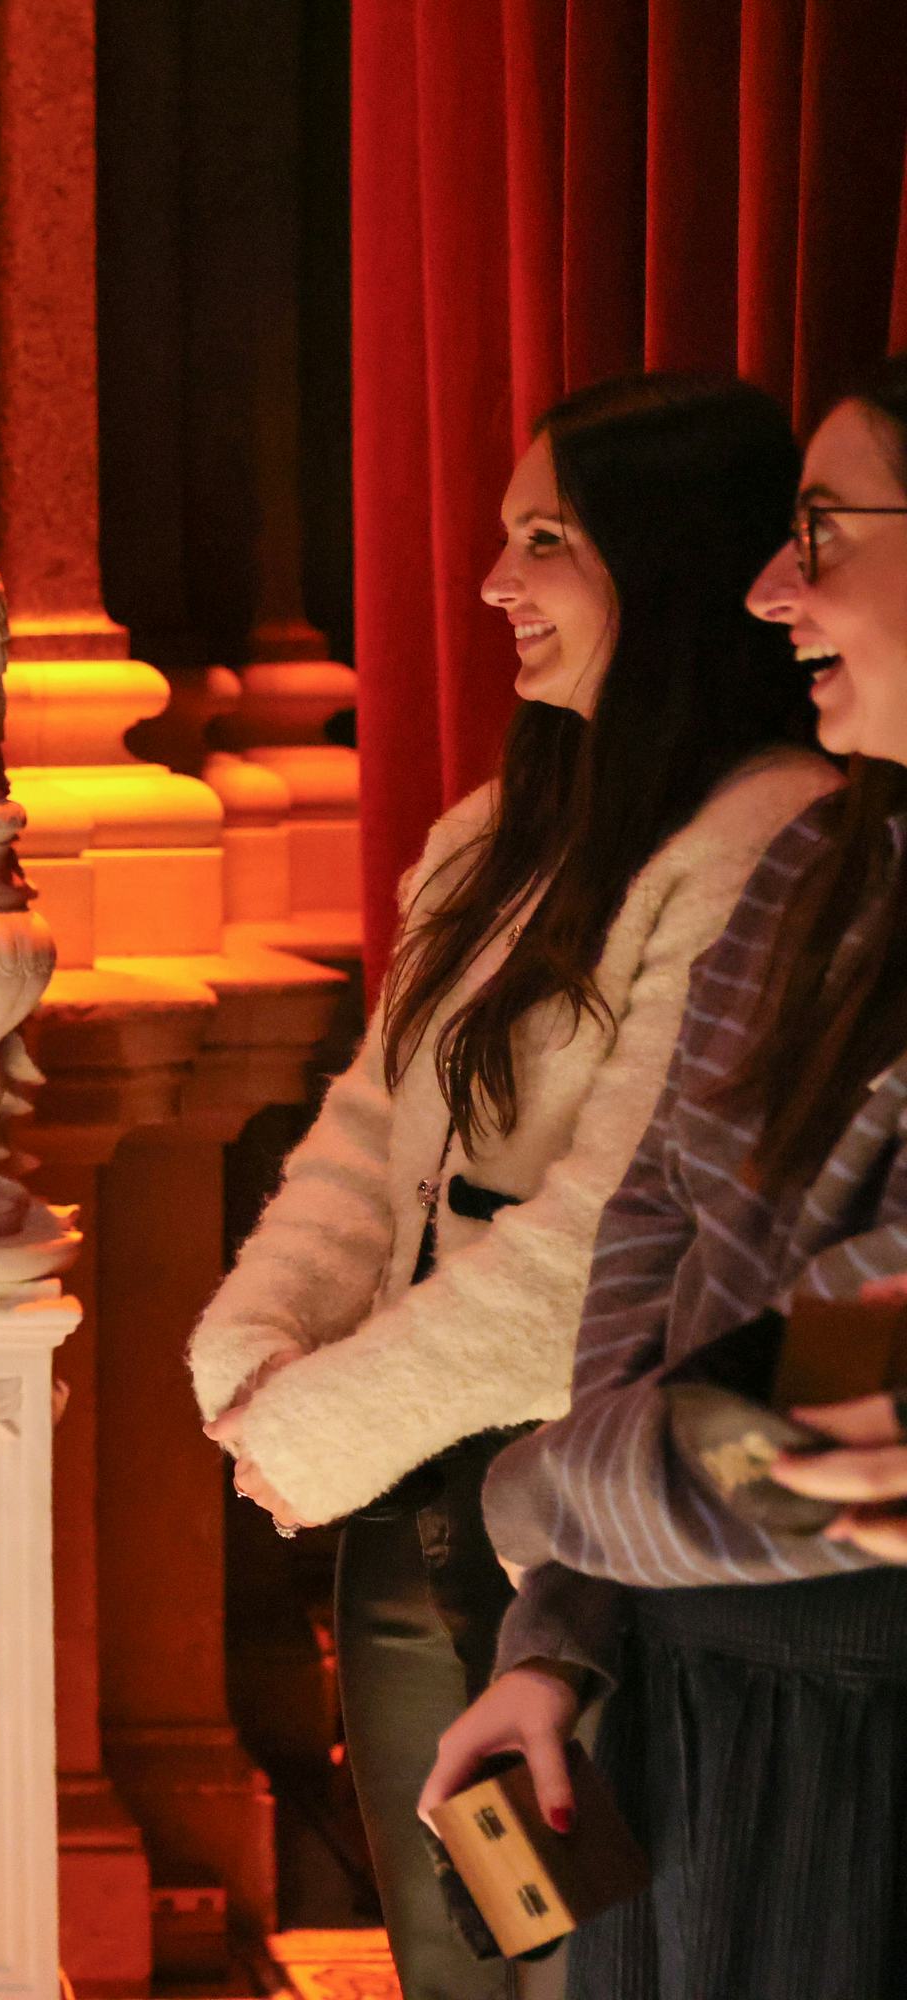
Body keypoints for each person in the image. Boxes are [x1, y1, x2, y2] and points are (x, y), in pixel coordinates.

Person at [189, 374, 835, 1999]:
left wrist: (324, 1424)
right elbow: (368, 1130)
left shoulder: (768, 836)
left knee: (582, 1959)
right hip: (408, 1522)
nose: (495, 584)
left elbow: (607, 1242)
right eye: (503, 537)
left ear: (667, 564)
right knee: (460, 1957)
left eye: (547, 539)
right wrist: (253, 1355)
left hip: (578, 1538)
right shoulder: (493, 834)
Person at [425, 354, 907, 1998]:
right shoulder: (823, 864)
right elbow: (652, 1242)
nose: (775, 590)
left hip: (860, 1737)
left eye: (823, 533)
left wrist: (534, 1494)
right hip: (682, 1688)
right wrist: (562, 1637)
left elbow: (838, 1424)